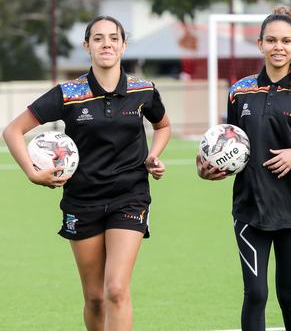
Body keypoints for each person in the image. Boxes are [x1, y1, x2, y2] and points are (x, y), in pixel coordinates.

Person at [2, 16, 171, 330]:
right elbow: (13, 131)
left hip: (130, 197)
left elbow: (163, 126)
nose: (106, 44)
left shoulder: (143, 90)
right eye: (98, 38)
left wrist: (153, 155)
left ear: (123, 45)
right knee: (95, 297)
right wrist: (31, 172)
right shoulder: (68, 92)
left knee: (117, 291)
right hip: (82, 200)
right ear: (87, 46)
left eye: (112, 38)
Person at [196, 6, 291, 330]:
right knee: (255, 293)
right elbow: (225, 142)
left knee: (288, 294)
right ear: (260, 44)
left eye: (286, 41)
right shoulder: (239, 91)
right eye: (271, 40)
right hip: (250, 207)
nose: (279, 47)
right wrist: (203, 168)